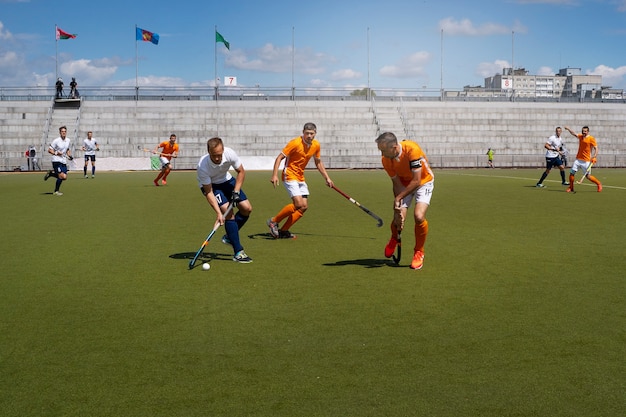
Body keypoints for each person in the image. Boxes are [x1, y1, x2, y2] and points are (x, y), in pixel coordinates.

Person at [376, 132, 434, 270]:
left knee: (419, 216)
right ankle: (394, 238)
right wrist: (398, 206)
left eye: (383, 150)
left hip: (423, 182)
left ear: (394, 147)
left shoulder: (412, 150)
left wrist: (398, 198)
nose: (381, 153)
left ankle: (419, 252)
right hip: (403, 184)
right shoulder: (385, 160)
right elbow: (396, 183)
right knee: (398, 218)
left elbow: (417, 180)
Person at [267, 122, 334, 239]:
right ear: (303, 133)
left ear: (315, 134)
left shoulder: (316, 145)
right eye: (307, 133)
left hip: (300, 177)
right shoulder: (295, 143)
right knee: (298, 204)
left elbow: (318, 162)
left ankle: (284, 230)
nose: (309, 136)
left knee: (303, 207)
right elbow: (279, 158)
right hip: (289, 175)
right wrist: (274, 175)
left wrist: (327, 178)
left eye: (312, 134)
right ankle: (273, 221)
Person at [197, 137, 253, 263]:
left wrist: (236, 191)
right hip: (212, 186)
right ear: (208, 152)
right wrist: (218, 213)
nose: (217, 158)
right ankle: (238, 252)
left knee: (247, 209)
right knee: (229, 214)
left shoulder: (229, 153)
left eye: (219, 155)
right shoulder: (203, 166)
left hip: (226, 180)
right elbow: (209, 192)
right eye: (214, 155)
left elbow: (241, 172)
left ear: (223, 150)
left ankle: (229, 236)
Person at [564, 126, 602, 193]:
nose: (583, 132)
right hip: (578, 159)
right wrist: (568, 129)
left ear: (587, 132)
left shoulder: (591, 138)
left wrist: (594, 157)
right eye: (583, 131)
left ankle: (598, 184)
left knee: (588, 176)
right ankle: (571, 187)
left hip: (586, 161)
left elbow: (596, 148)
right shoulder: (580, 136)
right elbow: (574, 133)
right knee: (572, 173)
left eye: (585, 131)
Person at [44, 126, 73, 196]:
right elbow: (49, 150)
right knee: (61, 176)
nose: (64, 133)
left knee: (65, 177)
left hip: (63, 161)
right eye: (62, 131)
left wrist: (69, 155)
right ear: (60, 132)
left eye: (65, 131)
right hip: (56, 160)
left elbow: (67, 149)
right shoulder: (56, 141)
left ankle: (51, 174)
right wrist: (56, 153)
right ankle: (56, 191)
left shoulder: (68, 140)